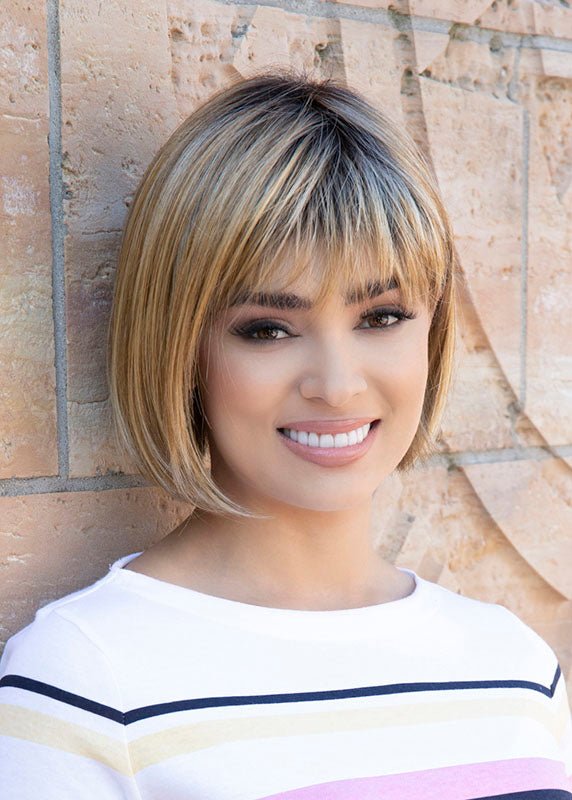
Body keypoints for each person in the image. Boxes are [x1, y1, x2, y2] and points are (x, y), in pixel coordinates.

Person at [1, 70, 571, 798]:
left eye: (382, 317)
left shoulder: (514, 669)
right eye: (268, 329)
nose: (336, 384)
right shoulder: (85, 682)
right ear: (181, 348)